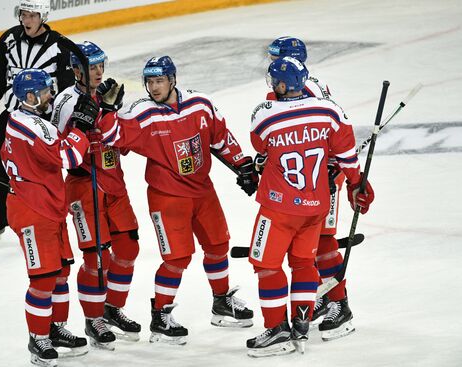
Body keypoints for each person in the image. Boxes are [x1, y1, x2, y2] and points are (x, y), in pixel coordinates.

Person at [93, 56, 259, 345]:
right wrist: (107, 110)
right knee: (177, 257)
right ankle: (160, 316)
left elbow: (220, 137)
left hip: (202, 190)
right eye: (149, 82)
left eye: (159, 81)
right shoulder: (143, 113)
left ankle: (221, 302)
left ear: (173, 79)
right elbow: (111, 136)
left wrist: (242, 163)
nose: (154, 87)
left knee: (218, 245)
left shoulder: (200, 104)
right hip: (167, 196)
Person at [245, 57, 374, 357]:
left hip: (278, 208)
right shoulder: (330, 110)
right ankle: (301, 323)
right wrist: (357, 184)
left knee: (266, 266)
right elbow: (347, 157)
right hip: (316, 206)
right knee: (303, 263)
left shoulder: (265, 115)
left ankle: (277, 330)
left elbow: (259, 146)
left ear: (279, 85)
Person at [1, 68, 100, 366]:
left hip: (48, 204)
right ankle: (38, 339)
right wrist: (81, 127)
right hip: (33, 211)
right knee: (43, 279)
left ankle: (55, 329)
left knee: (60, 272)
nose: (50, 96)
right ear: (30, 97)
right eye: (45, 91)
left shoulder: (22, 119)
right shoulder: (34, 126)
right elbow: (70, 158)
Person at [264, 36, 356, 341]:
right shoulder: (300, 86)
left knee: (324, 241)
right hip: (313, 174)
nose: (270, 62)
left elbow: (336, 132)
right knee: (311, 243)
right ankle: (316, 297)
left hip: (321, 177)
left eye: (275, 56)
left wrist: (335, 167)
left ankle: (339, 304)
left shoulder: (308, 90)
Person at [51, 41, 141, 348]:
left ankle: (113, 308)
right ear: (76, 70)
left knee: (128, 249)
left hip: (114, 179)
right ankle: (94, 319)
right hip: (83, 186)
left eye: (101, 65)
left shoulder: (113, 94)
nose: (99, 72)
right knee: (96, 257)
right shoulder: (64, 102)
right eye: (92, 67)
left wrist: (112, 113)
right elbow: (58, 151)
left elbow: (125, 142)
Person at [0, 0, 75, 248]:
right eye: (24, 14)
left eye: (32, 15)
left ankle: (53, 218)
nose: (27, 20)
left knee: (43, 175)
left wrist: (65, 121)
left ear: (43, 16)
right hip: (11, 118)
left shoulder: (59, 46)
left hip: (43, 121)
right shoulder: (8, 40)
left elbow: (66, 89)